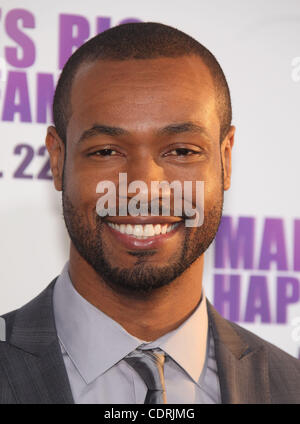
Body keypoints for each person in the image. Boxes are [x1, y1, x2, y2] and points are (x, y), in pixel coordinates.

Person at [0, 22, 299, 405]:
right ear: (57, 160)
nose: (142, 187)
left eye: (182, 151)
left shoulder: (290, 387)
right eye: (106, 151)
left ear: (225, 158)